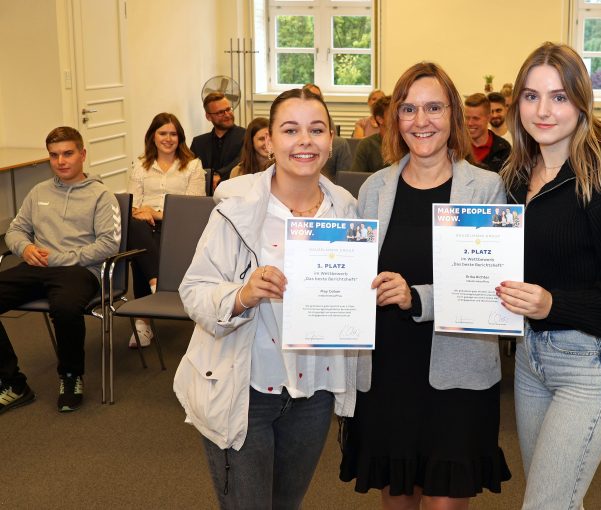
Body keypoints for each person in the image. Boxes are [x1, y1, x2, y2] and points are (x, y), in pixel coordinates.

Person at [174, 87, 358, 510]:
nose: (305, 141)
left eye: (316, 130)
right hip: (246, 389)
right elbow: (194, 291)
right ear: (269, 141)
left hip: (313, 392)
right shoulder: (235, 209)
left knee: (285, 504)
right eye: (290, 130)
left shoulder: (346, 212)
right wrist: (241, 295)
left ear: (331, 139)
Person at [339, 62, 511, 508]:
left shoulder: (487, 188)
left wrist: (417, 297)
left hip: (458, 371)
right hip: (388, 370)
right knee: (397, 498)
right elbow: (355, 274)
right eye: (409, 109)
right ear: (395, 118)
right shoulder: (375, 188)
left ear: (453, 115)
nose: (421, 121)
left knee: (444, 500)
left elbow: (491, 288)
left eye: (434, 107)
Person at [496, 42, 601, 510]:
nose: (543, 110)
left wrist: (555, 304)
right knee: (558, 500)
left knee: (546, 506)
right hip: (529, 361)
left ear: (581, 102)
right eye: (531, 96)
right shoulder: (513, 178)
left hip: (589, 367)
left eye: (559, 97)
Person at [0, 126, 119, 414]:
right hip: (36, 265)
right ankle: (14, 383)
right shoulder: (39, 191)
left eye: (68, 153)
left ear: (82, 154)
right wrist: (24, 248)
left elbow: (108, 245)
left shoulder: (101, 196)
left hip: (79, 270)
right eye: (54, 155)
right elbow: (15, 230)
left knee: (65, 308)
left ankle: (70, 377)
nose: (61, 161)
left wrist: (61, 258)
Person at [126, 113, 205, 348]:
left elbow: (194, 207)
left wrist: (154, 212)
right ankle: (155, 286)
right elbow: (132, 205)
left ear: (179, 137)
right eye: (163, 133)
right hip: (145, 228)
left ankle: (144, 317)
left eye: (173, 133)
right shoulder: (141, 166)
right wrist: (142, 212)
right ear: (153, 136)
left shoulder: (192, 165)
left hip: (181, 227)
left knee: (140, 247)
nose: (168, 138)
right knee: (137, 231)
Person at [191, 92, 246, 191]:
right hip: (204, 196)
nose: (227, 115)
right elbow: (191, 169)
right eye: (220, 112)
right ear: (208, 116)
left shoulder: (246, 135)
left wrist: (218, 174)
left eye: (228, 109)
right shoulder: (198, 143)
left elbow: (242, 160)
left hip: (236, 193)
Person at [302, 84, 353, 180]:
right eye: (310, 96)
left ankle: (342, 183)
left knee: (341, 143)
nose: (314, 100)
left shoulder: (326, 116)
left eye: (317, 97)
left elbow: (330, 138)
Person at [464, 93, 511, 172]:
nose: (470, 123)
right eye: (467, 118)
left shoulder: (503, 149)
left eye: (476, 118)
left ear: (488, 117)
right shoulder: (456, 147)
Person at [350, 96, 391, 173]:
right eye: (392, 114)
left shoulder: (407, 143)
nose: (398, 117)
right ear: (380, 119)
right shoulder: (367, 145)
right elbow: (356, 178)